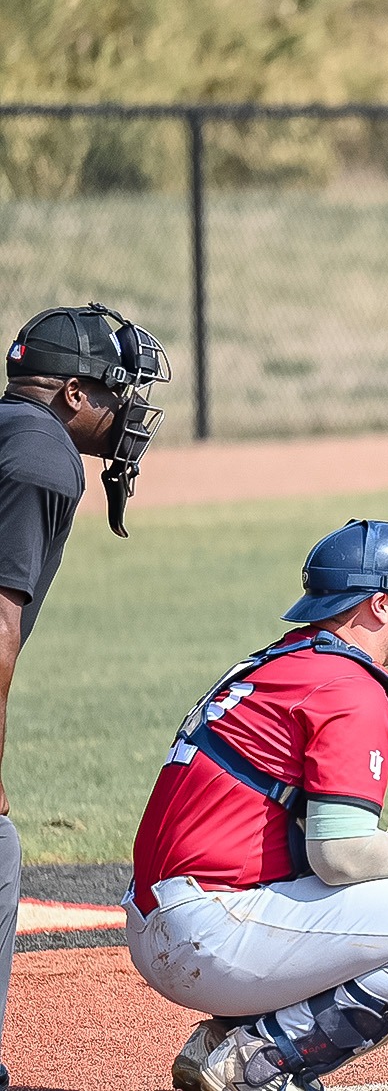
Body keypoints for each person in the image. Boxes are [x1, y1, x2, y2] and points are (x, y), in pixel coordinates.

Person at [126, 519, 388, 1091]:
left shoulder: (283, 662)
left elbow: (287, 822)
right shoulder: (348, 687)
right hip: (211, 931)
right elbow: (338, 854)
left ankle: (229, 1039)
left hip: (169, 915)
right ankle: (256, 1061)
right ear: (380, 605)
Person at [0, 303, 171, 1089]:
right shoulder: (44, 454)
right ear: (72, 394)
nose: (126, 409)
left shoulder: (11, 432)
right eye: (114, 391)